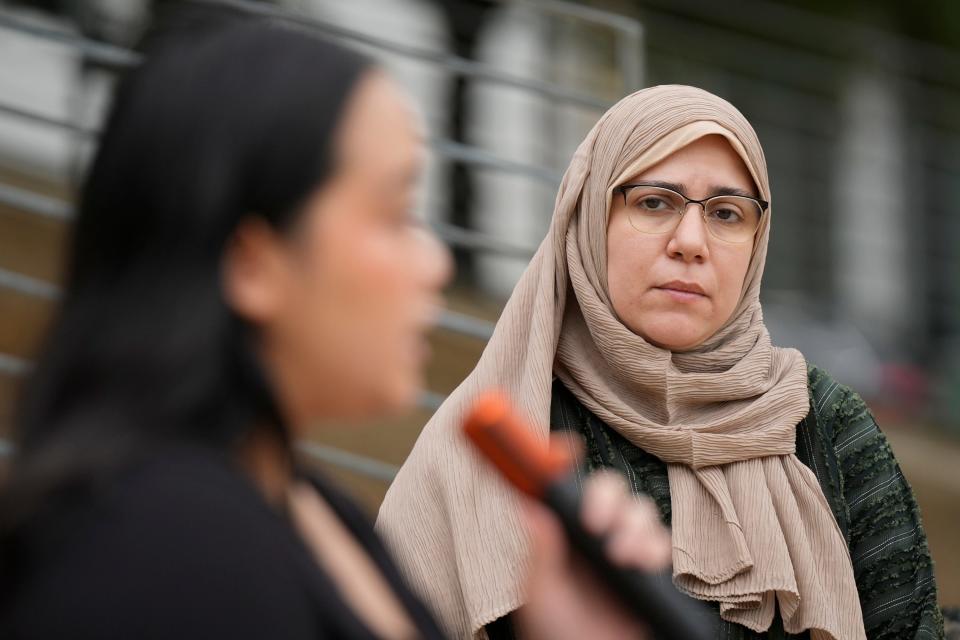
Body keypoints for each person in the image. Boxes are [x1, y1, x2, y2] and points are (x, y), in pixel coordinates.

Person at [0, 9, 673, 640]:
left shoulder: (310, 508)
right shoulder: (161, 554)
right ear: (253, 264)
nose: (436, 261)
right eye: (395, 213)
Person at [376, 85, 945, 640]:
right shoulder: (500, 438)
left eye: (726, 213)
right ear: (590, 219)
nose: (691, 241)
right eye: (654, 202)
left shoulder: (824, 425)